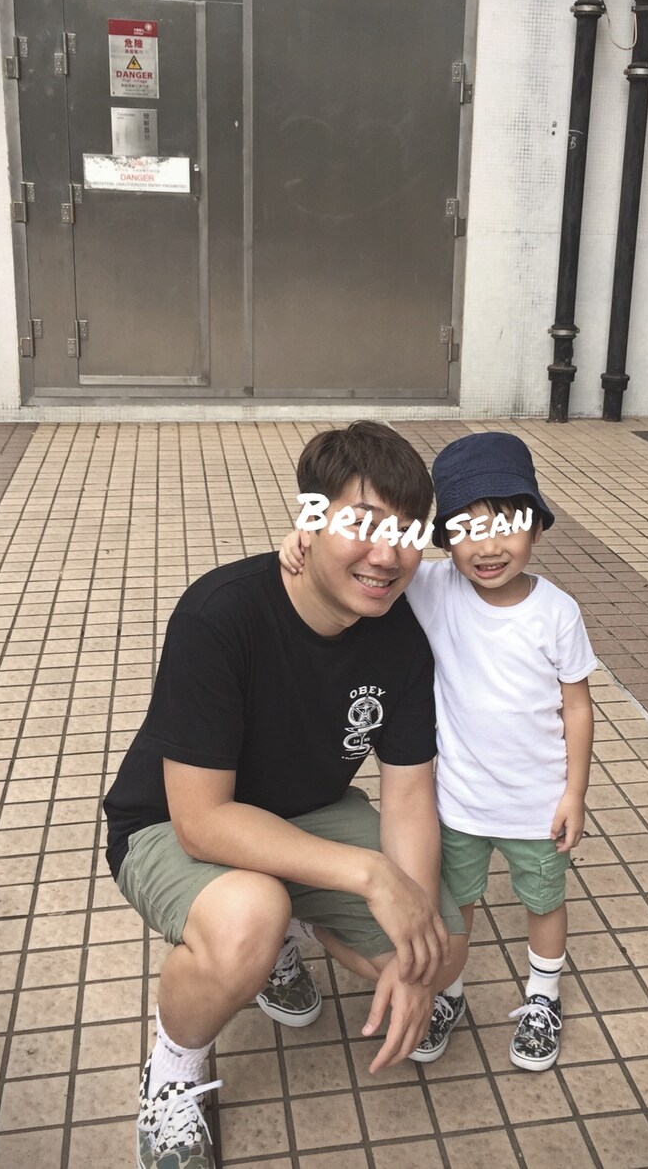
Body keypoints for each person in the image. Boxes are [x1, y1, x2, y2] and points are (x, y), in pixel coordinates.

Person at [104, 421, 468, 1169]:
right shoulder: (220, 614)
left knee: (443, 947)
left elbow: (407, 795)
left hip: (305, 814)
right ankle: (173, 1072)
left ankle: (291, 934)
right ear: (309, 520)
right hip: (169, 821)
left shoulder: (401, 638)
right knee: (249, 917)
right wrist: (372, 877)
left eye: (406, 532)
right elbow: (202, 822)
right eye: (362, 523)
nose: (387, 554)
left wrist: (416, 955)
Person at [281, 431, 595, 1072]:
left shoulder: (557, 613)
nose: (488, 546)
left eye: (505, 524)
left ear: (536, 526)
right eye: (465, 528)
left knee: (544, 903)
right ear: (443, 540)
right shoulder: (431, 586)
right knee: (458, 907)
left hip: (536, 806)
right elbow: (365, 564)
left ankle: (543, 996)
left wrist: (574, 794)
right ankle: (448, 993)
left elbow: (577, 707)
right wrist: (301, 537)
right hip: (456, 802)